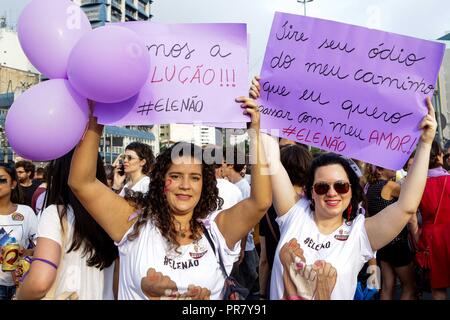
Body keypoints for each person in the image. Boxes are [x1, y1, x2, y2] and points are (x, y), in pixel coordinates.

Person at [249, 76, 437, 300]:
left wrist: (425, 143)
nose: (332, 192)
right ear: (310, 191)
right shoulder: (294, 213)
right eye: (321, 187)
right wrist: (264, 110)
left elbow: (406, 206)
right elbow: (271, 158)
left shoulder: (359, 234)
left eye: (341, 186)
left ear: (351, 190)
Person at [68, 97, 271, 300]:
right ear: (160, 180)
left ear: (205, 185)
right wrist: (97, 116)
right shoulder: (132, 224)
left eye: (194, 177)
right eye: (175, 176)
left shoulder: (218, 232)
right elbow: (81, 183)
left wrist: (255, 130)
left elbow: (260, 202)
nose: (185, 185)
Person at [16, 149, 118, 300]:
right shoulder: (115, 214)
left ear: (58, 175)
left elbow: (40, 282)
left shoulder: (55, 214)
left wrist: (19, 295)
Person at [259, 144, 312, 300]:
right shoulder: (315, 206)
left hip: (278, 284)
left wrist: (262, 294)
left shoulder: (267, 206)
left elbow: (264, 260)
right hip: (310, 282)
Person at [365, 165, 416, 299]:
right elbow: (412, 197)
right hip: (397, 241)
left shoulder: (370, 187)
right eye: (389, 166)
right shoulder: (389, 186)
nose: (394, 168)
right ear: (380, 170)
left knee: (388, 286)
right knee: (409, 287)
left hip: (382, 243)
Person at [417, 140, 450, 300]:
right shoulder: (448, 180)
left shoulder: (417, 184)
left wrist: (417, 239)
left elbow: (411, 218)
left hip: (431, 239)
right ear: (438, 155)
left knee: (438, 288)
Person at [0, 163, 37, 300]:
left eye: (2, 180)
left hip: (21, 284)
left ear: (13, 184)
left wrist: (25, 252)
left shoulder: (26, 212)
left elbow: (41, 248)